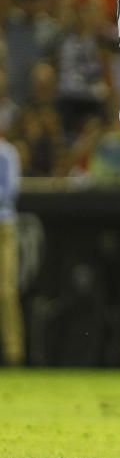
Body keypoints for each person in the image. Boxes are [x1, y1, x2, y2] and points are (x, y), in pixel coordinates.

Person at [0, 132, 23, 366]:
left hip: (3, 228)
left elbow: (9, 192)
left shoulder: (7, 153)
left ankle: (13, 354)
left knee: (6, 291)